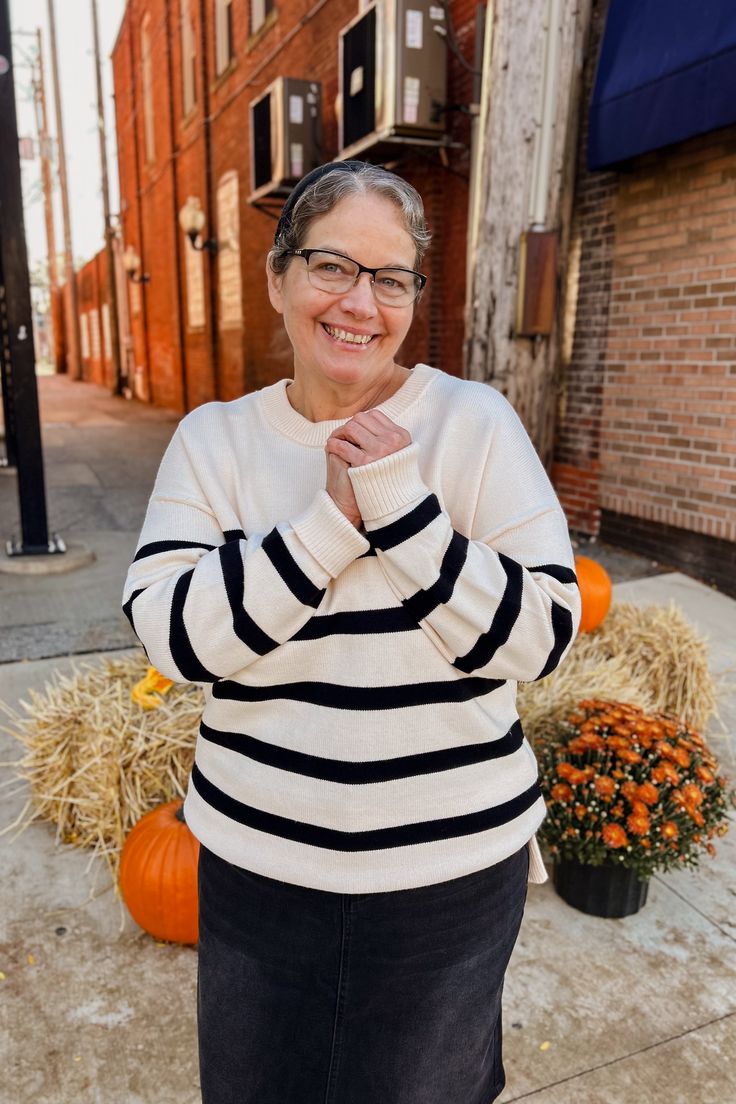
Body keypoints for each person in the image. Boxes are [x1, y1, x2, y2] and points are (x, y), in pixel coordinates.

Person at [122, 160, 581, 1104]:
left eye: (392, 278)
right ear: (278, 278)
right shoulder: (215, 440)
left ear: (415, 296)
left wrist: (403, 512)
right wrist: (328, 526)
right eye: (332, 266)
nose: (360, 304)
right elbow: (173, 635)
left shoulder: (474, 424)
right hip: (259, 868)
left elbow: (543, 638)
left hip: (448, 876)